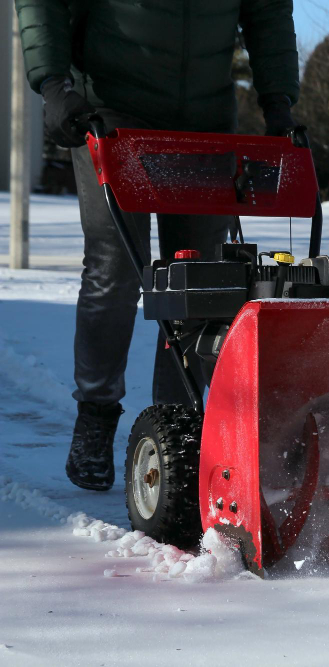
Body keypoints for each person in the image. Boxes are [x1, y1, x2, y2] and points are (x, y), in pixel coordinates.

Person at [14, 0, 300, 491]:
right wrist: (52, 82)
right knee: (115, 263)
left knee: (197, 280)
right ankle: (97, 415)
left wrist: (280, 101)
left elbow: (267, 10)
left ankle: (178, 431)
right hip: (108, 107)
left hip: (205, 115)